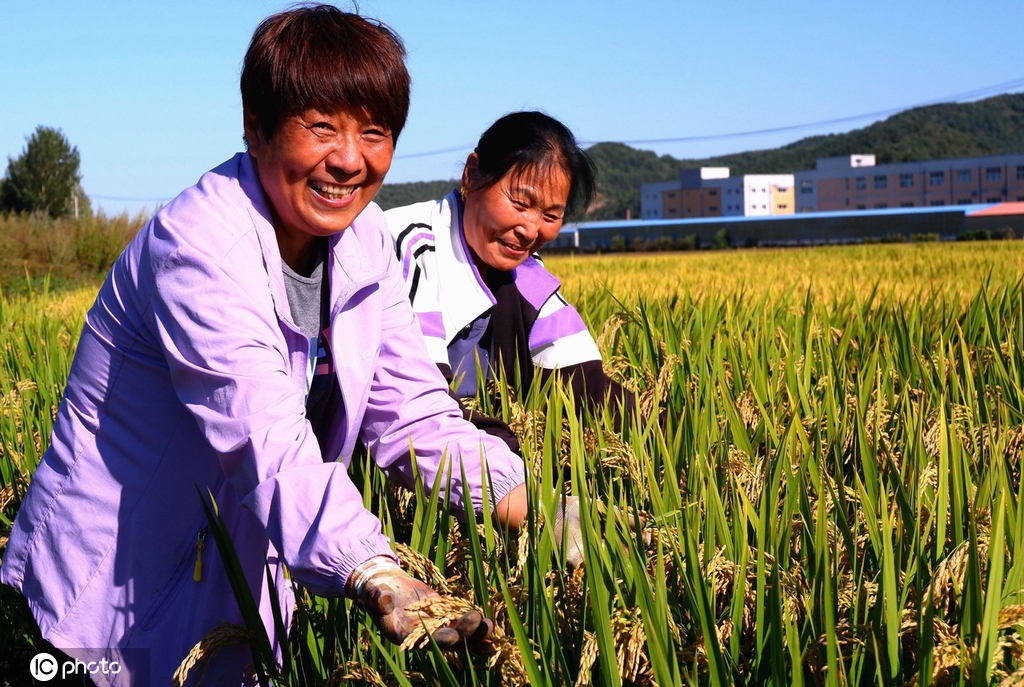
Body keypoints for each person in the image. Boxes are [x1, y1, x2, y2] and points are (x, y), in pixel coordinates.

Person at [0, 6, 532, 685]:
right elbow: (264, 435)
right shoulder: (199, 248)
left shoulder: (364, 242)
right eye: (321, 127)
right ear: (255, 129)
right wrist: (374, 568)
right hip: (107, 591)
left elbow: (412, 411)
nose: (348, 158)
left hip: (227, 582)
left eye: (374, 131)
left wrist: (528, 501)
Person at [385, 111, 635, 425]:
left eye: (551, 215)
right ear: (471, 175)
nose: (531, 230)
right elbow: (421, 402)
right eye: (520, 203)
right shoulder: (407, 245)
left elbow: (589, 387)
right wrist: (519, 456)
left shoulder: (527, 271)